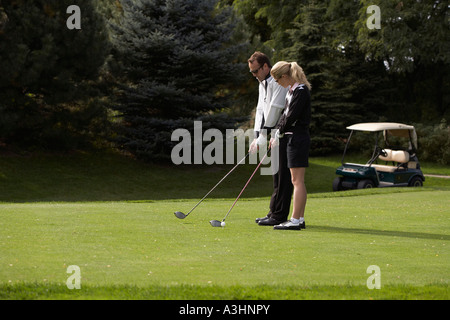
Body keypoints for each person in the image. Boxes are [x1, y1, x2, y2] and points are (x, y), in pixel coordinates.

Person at [247, 52, 292, 226]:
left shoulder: (278, 82)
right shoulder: (262, 83)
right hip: (271, 134)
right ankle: (274, 212)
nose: (254, 75)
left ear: (266, 66)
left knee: (283, 176)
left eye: (255, 71)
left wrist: (264, 134)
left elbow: (275, 108)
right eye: (251, 72)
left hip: (281, 133)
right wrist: (256, 136)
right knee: (276, 175)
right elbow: (260, 110)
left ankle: (279, 215)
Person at [269, 61, 312, 230]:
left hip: (298, 138)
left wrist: (278, 132)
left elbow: (291, 117)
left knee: (297, 181)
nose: (278, 83)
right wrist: (276, 133)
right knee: (297, 180)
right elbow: (284, 116)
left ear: (285, 76)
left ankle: (295, 220)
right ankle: (299, 218)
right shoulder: (291, 91)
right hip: (292, 138)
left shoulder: (301, 91)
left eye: (278, 80)